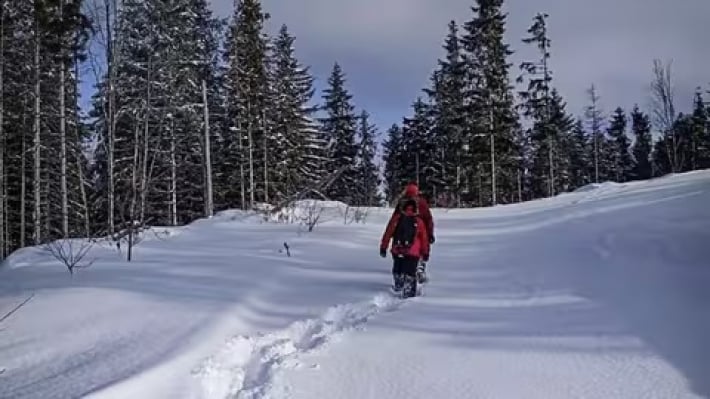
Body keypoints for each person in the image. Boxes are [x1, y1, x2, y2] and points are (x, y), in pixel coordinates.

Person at [380, 197, 430, 298]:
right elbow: (424, 238)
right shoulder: (419, 221)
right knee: (410, 272)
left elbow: (388, 233)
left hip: (397, 249)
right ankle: (409, 293)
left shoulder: (397, 218)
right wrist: (425, 252)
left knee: (398, 269)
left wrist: (383, 247)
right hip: (413, 251)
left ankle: (398, 284)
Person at [391, 182, 434, 282]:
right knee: (420, 249)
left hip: (401, 238)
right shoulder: (422, 202)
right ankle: (419, 268)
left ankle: (401, 274)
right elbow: (428, 219)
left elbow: (394, 220)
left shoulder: (402, 202)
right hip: (419, 230)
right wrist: (430, 233)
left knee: (404, 253)